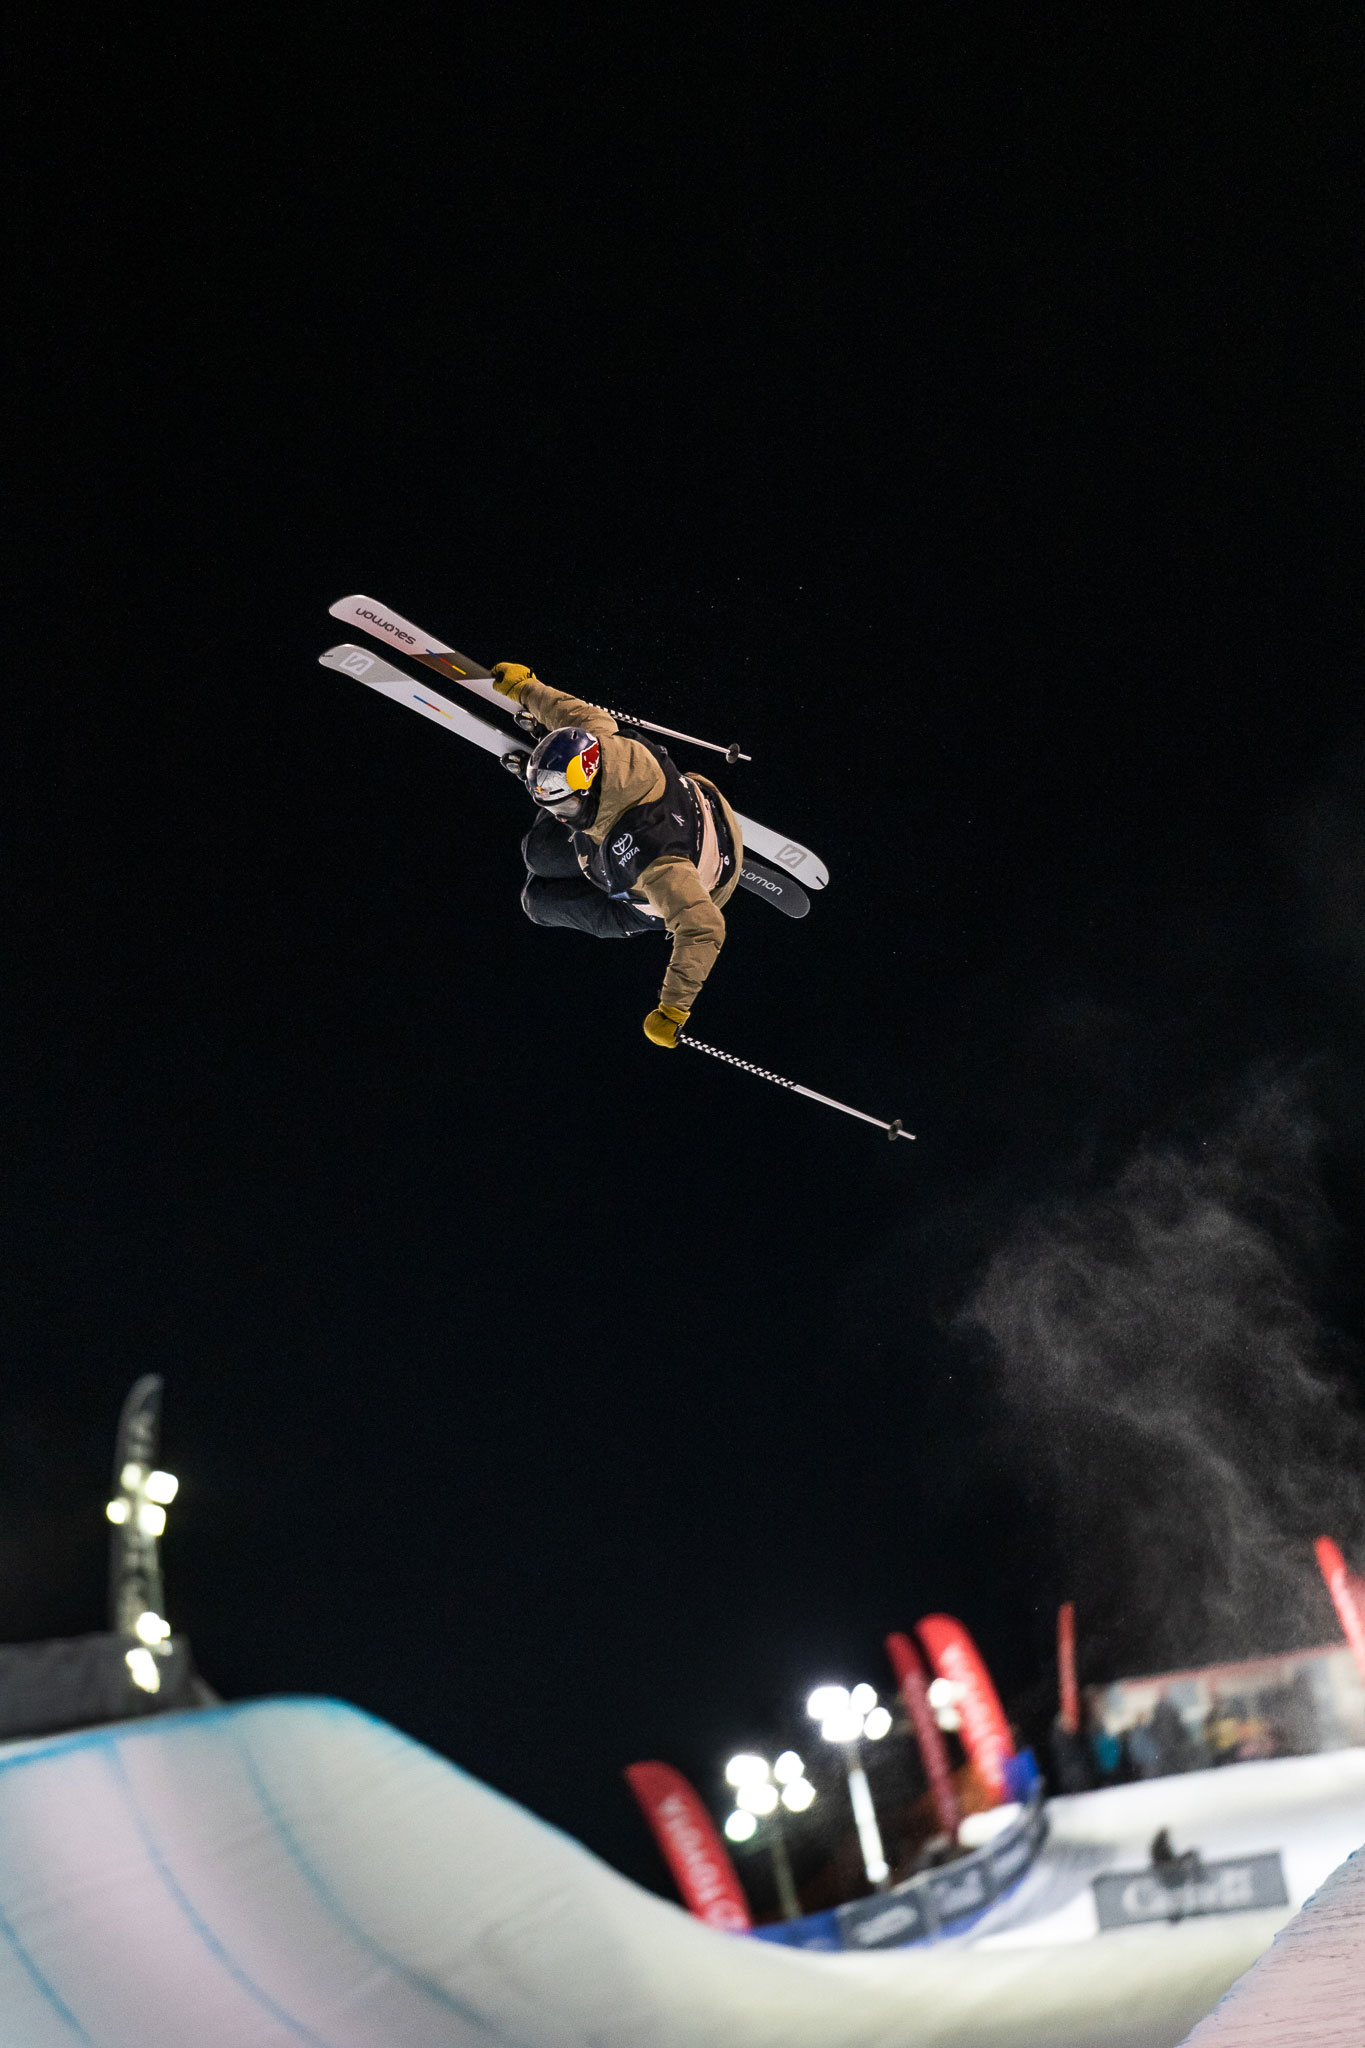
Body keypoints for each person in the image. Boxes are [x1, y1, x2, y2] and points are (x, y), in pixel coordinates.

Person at [490, 662, 742, 1047]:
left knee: (535, 902)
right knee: (534, 853)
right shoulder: (603, 740)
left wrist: (673, 1009)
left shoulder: (657, 863)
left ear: (586, 792)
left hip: (648, 892)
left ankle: (550, 776)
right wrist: (525, 688)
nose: (562, 817)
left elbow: (704, 927)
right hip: (684, 809)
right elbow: (570, 712)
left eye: (567, 808)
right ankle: (545, 763)